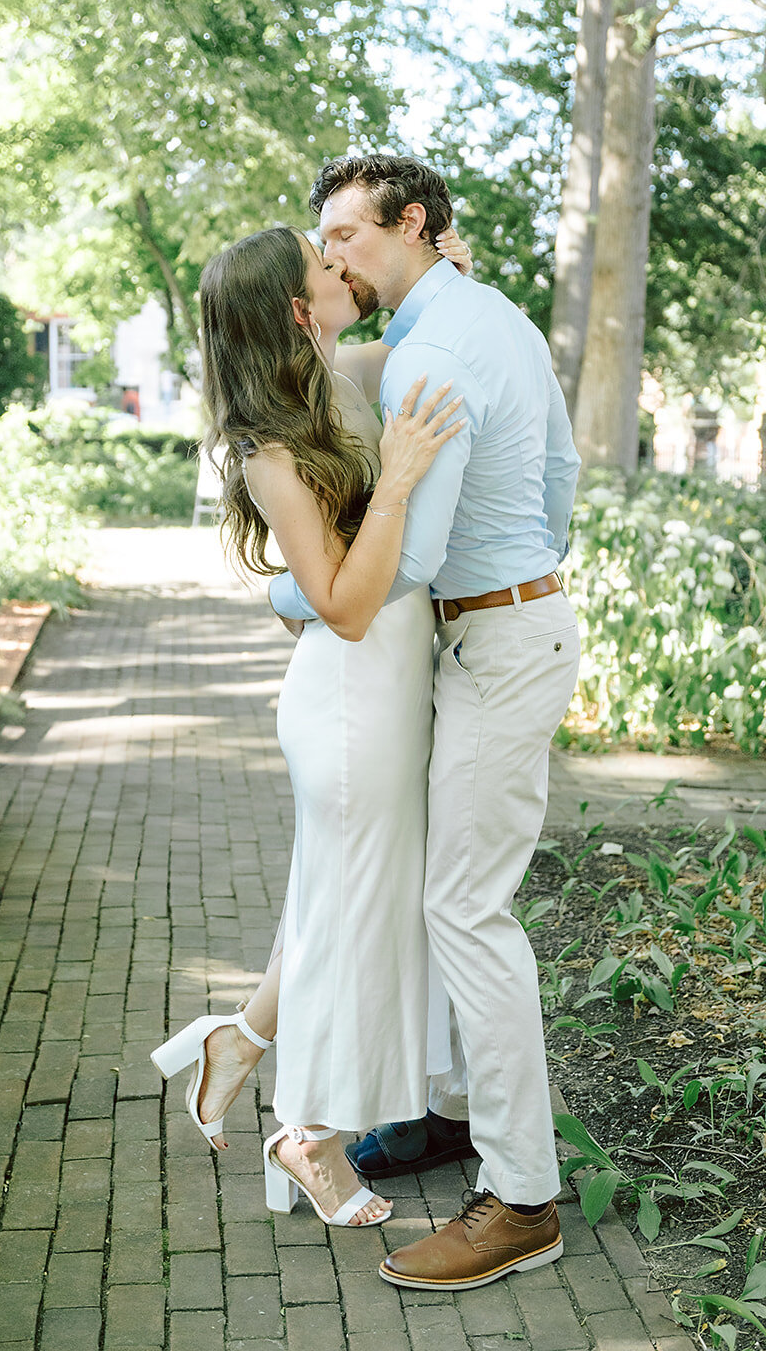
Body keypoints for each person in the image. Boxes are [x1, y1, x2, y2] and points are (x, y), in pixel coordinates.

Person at [268, 154, 582, 1290]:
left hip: (495, 642)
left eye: (343, 235)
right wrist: (526, 575)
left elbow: (415, 560)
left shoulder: (432, 356)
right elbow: (558, 472)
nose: (331, 255)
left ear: (409, 224)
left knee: (463, 907)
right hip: (507, 627)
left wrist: (285, 591)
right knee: (438, 891)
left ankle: (521, 1200)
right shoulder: (481, 313)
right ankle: (448, 1121)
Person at [150, 222, 467, 1228]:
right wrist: (402, 479)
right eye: (324, 267)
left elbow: (418, 331)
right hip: (346, 701)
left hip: (385, 690)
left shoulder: (340, 377)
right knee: (356, 918)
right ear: (297, 309)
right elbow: (337, 602)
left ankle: (236, 1042)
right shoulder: (269, 452)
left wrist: (442, 267)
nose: (342, 271)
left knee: (340, 904)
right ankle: (311, 1137)